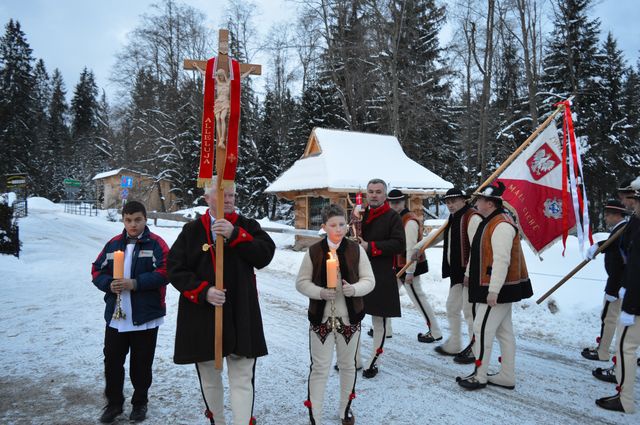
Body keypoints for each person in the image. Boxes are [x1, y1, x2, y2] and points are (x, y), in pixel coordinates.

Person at [167, 179, 275, 425]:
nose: (229, 200)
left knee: (242, 375)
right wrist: (203, 291)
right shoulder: (192, 231)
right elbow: (174, 267)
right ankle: (218, 421)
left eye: (232, 196)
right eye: (223, 195)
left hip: (240, 312)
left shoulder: (248, 226)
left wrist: (236, 235)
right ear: (207, 199)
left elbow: (265, 254)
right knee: (209, 375)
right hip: (203, 314)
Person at [91, 200, 170, 423]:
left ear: (145, 219)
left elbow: (167, 271)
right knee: (113, 361)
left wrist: (135, 283)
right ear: (123, 220)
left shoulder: (156, 244)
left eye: (137, 220)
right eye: (128, 220)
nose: (133, 225)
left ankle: (140, 403)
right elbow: (97, 270)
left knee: (141, 362)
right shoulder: (113, 244)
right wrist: (109, 284)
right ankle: (114, 404)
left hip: (145, 316)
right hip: (117, 316)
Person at [296, 204, 375, 425]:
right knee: (319, 367)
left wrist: (355, 289)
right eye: (333, 225)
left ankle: (345, 409)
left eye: (342, 224)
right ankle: (316, 415)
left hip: (350, 318)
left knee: (348, 365)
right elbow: (301, 282)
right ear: (324, 227)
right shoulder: (314, 251)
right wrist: (319, 292)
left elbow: (369, 280)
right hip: (320, 319)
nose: (338, 229)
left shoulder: (355, 250)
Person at [456, 182, 533, 390]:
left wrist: (494, 291)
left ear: (490, 203)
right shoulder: (492, 221)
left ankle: (479, 375)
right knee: (504, 332)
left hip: (499, 289)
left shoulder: (501, 224)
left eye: (480, 199)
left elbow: (501, 260)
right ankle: (507, 376)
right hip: (496, 287)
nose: (476, 202)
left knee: (481, 329)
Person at [596, 191, 640, 413]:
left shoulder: (636, 225)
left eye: (631, 199)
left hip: (634, 297)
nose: (627, 202)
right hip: (631, 292)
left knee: (626, 348)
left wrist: (630, 303)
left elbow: (634, 266)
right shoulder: (634, 223)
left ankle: (625, 398)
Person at [427, 188, 482, 360]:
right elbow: (437, 236)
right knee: (452, 307)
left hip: (470, 274)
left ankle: (475, 349)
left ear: (464, 200)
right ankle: (455, 343)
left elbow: (477, 248)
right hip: (456, 273)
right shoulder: (453, 218)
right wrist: (419, 247)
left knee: (469, 312)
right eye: (448, 202)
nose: (450, 205)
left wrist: (470, 272)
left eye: (454, 201)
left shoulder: (472, 217)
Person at [358, 178, 405, 378]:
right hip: (358, 274)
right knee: (354, 318)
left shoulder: (392, 217)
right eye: (371, 191)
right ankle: (353, 359)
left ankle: (374, 360)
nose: (374, 195)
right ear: (366, 194)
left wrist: (372, 247)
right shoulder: (359, 214)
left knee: (379, 320)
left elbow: (399, 244)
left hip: (381, 274)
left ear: (384, 195)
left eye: (378, 191)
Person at [387, 189, 442, 343]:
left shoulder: (409, 220)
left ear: (403, 202)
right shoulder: (396, 218)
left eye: (397, 202)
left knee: (418, 298)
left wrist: (410, 271)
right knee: (387, 296)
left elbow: (411, 247)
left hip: (408, 266)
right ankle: (385, 329)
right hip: (397, 265)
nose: (394, 205)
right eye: (392, 202)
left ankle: (435, 331)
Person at [581, 200, 628, 361]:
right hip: (618, 282)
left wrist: (613, 288)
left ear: (616, 215)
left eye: (608, 215)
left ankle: (603, 352)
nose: (606, 218)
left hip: (617, 283)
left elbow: (619, 256)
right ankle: (604, 349)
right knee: (610, 317)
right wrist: (599, 246)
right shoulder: (621, 230)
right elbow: (613, 244)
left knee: (609, 317)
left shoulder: (623, 230)